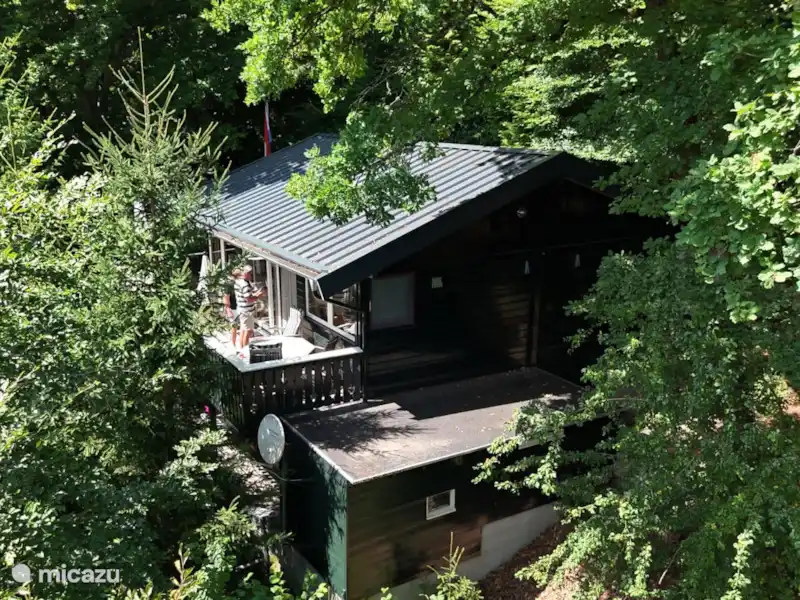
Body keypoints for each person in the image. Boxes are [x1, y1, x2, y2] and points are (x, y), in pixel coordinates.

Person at [231, 265, 265, 349]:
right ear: (245, 274)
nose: (251, 275)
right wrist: (258, 295)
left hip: (242, 309)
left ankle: (241, 348)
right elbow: (248, 299)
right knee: (248, 330)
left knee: (243, 329)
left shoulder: (239, 282)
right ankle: (245, 350)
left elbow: (247, 294)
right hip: (247, 311)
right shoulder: (245, 284)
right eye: (249, 273)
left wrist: (255, 292)